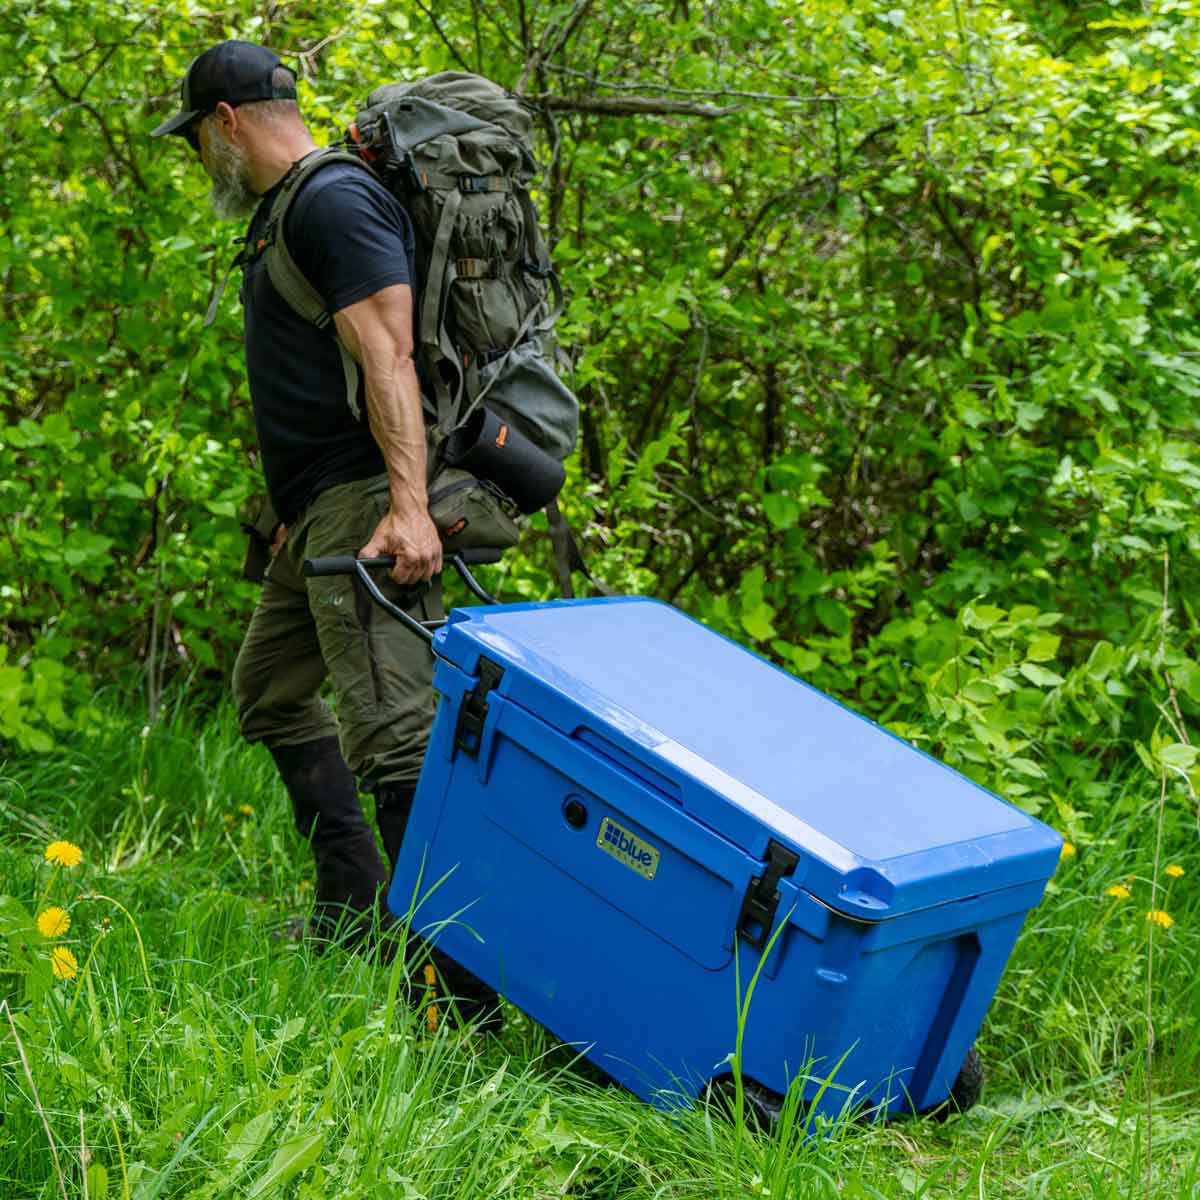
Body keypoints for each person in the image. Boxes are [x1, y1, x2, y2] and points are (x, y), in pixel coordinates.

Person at [152, 41, 497, 1023]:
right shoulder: (284, 216)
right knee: (266, 691)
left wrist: (406, 503)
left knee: (397, 739)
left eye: (196, 141)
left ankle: (458, 992)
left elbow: (387, 352)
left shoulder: (330, 200)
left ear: (226, 122)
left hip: (367, 502)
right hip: (317, 515)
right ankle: (352, 907)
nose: (199, 161)